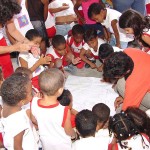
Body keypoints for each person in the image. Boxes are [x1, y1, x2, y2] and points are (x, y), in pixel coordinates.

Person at [31, 69, 76, 150]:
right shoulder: (64, 110)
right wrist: (74, 135)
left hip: (46, 143)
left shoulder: (34, 101)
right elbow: (68, 130)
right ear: (60, 90)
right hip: (63, 145)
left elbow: (33, 119)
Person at [0, 73, 39, 149]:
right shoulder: (19, 121)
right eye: (31, 93)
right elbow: (17, 147)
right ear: (21, 101)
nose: (32, 94)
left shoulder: (5, 110)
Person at [0, 0, 35, 79]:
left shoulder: (5, 8)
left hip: (1, 42)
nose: (12, 20)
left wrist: (28, 42)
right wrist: (14, 47)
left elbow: (13, 30)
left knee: (7, 70)